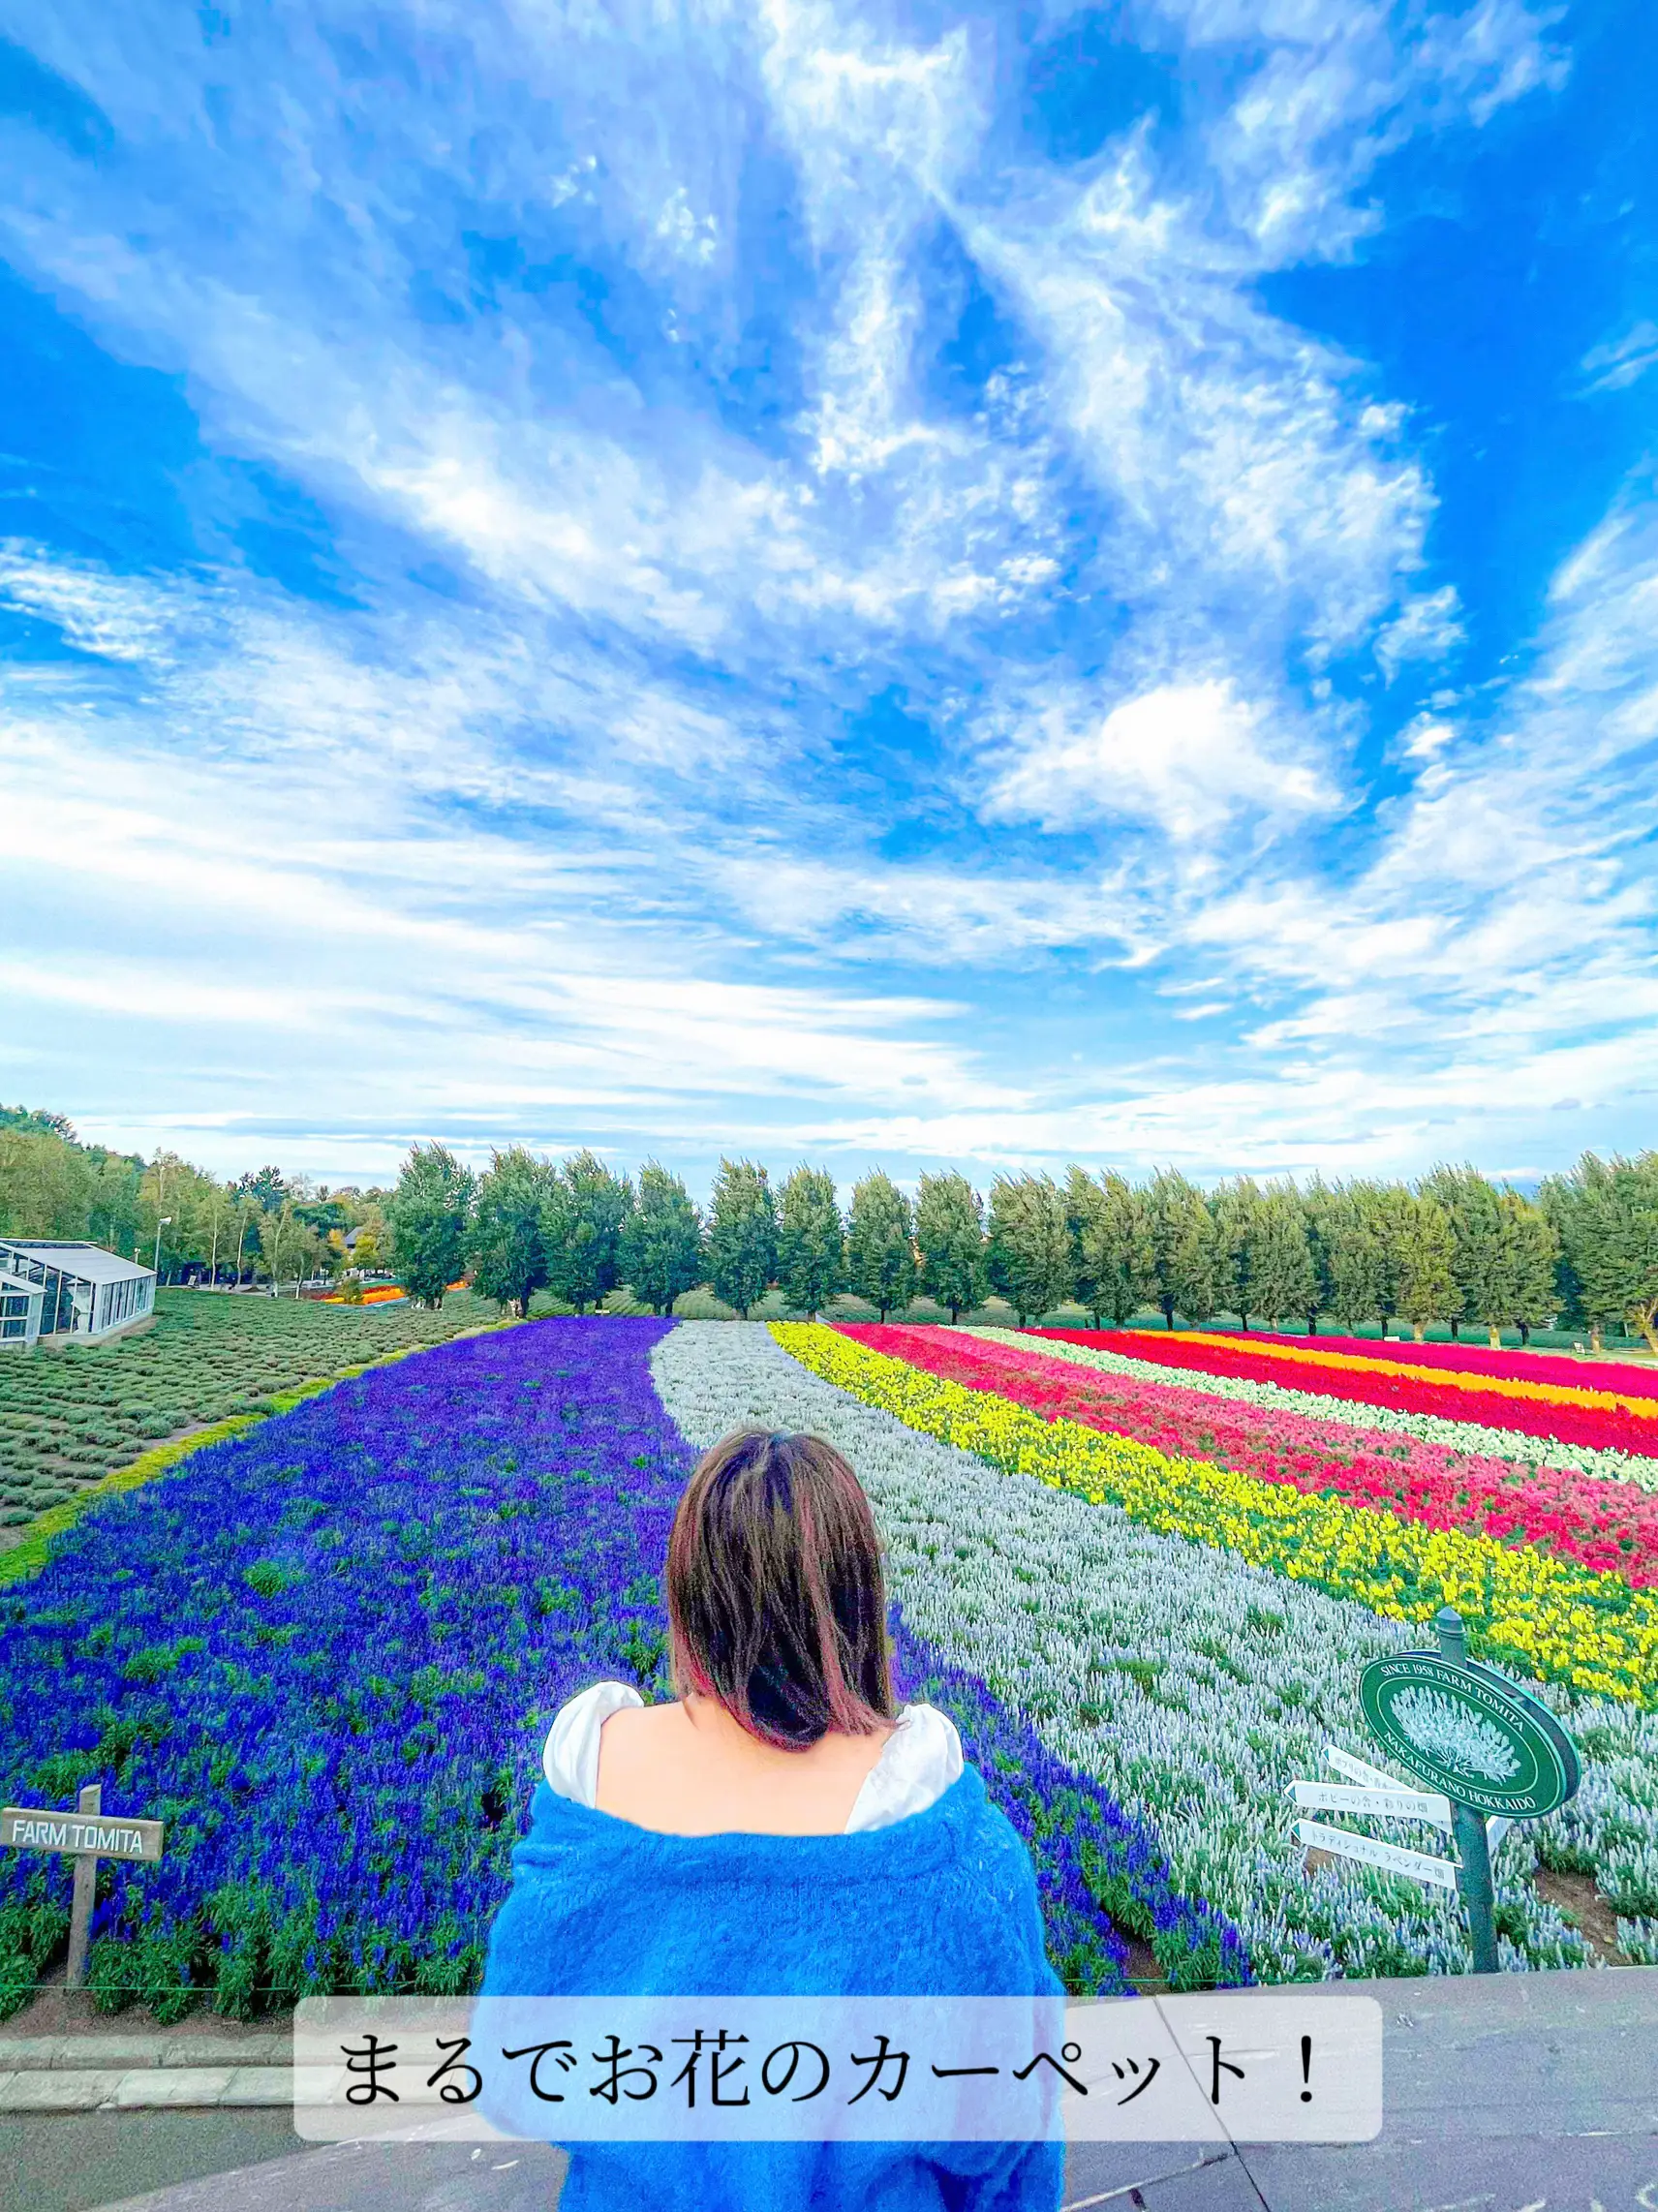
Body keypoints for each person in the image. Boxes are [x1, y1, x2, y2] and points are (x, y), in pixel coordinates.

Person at [479, 1426, 1065, 2211]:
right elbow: (1005, 2141)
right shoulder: (939, 1845)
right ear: (856, 1601)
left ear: (688, 1594)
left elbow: (516, 2071)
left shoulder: (593, 1779)